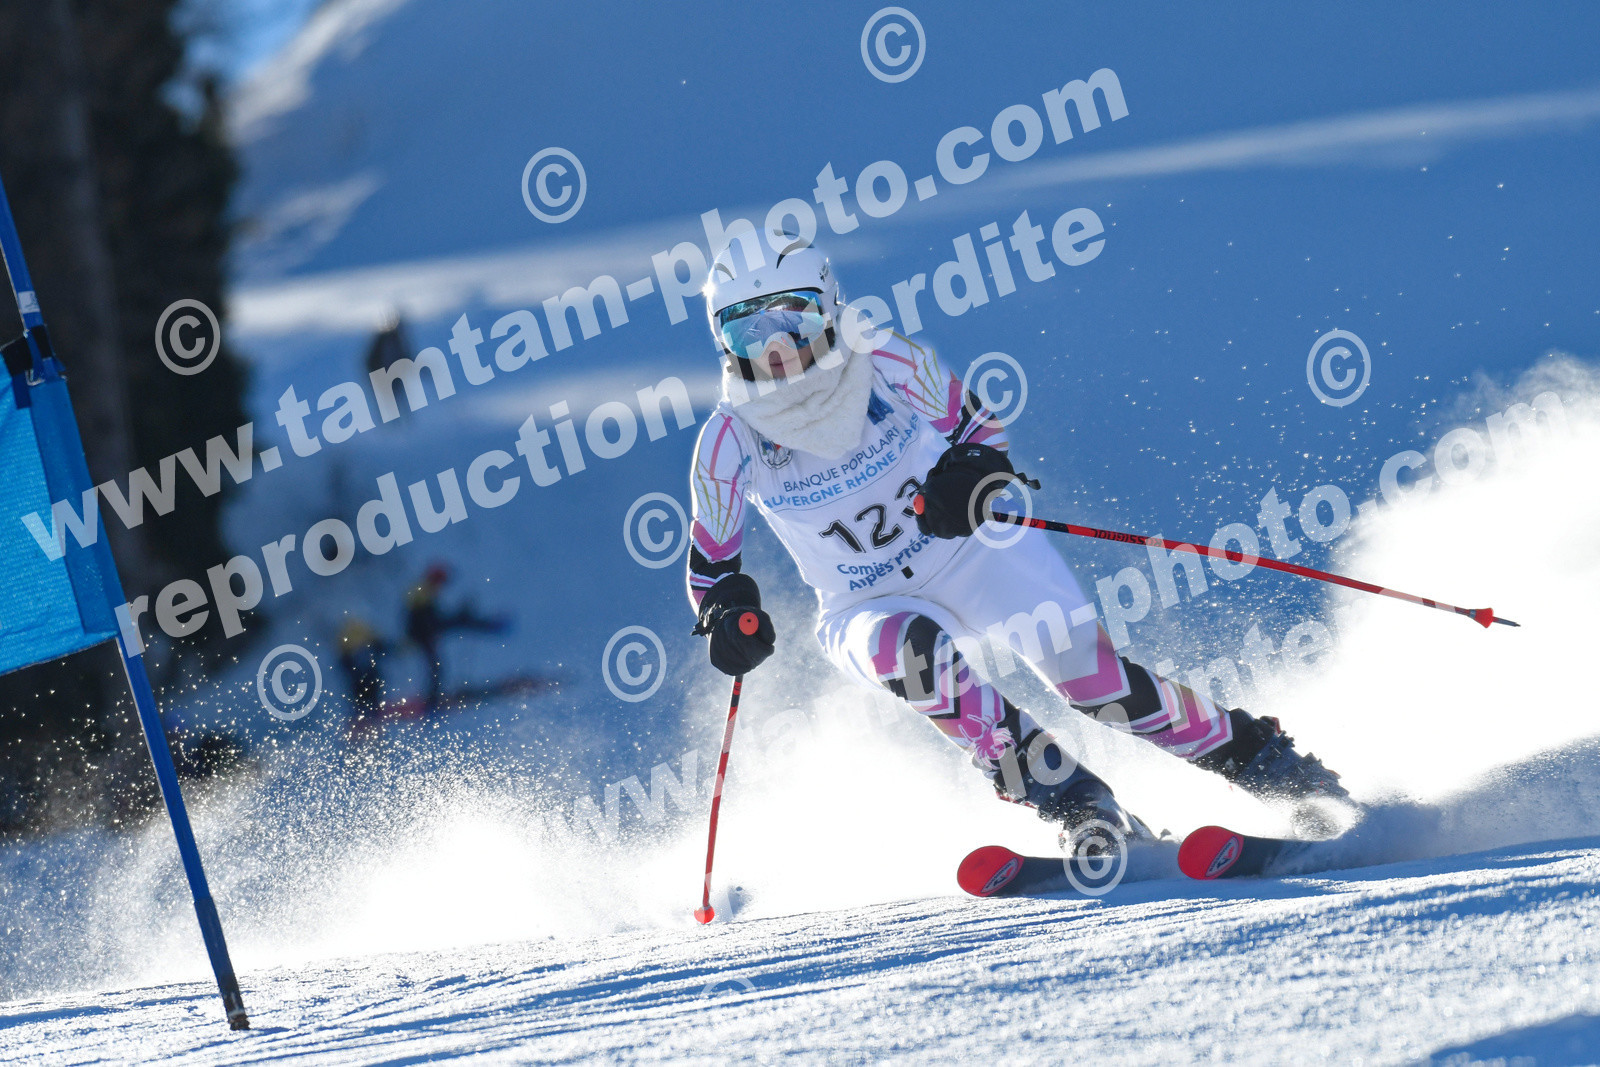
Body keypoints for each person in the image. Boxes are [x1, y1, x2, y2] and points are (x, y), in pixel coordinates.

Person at [684, 235, 1348, 857]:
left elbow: (976, 426)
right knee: (911, 655)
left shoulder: (883, 360)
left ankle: (1270, 764)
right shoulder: (729, 438)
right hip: (863, 601)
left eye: (792, 319)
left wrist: (967, 476)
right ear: (724, 343)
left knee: (1095, 682)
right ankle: (1080, 805)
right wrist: (725, 615)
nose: (775, 348)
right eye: (748, 330)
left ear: (828, 308)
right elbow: (711, 566)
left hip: (975, 555)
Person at [404, 563, 507, 710]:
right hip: (423, 634)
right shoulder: (423, 591)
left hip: (426, 632)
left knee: (435, 667)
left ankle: (432, 697)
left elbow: (432, 617)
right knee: (435, 667)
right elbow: (422, 617)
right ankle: (431, 700)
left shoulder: (424, 591)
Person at [337, 617, 391, 720]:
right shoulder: (350, 654)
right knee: (362, 698)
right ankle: (366, 716)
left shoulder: (354, 651)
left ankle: (369, 716)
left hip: (367, 683)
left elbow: (383, 648)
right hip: (361, 684)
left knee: (368, 697)